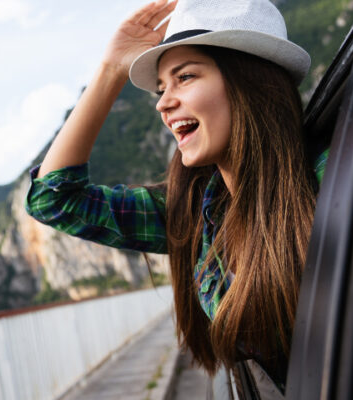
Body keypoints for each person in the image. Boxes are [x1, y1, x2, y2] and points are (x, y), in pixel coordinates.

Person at [24, 0, 329, 397]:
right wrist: (110, 69)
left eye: (185, 77)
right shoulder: (194, 216)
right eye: (162, 86)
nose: (162, 103)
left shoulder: (329, 176)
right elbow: (53, 199)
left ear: (251, 82)